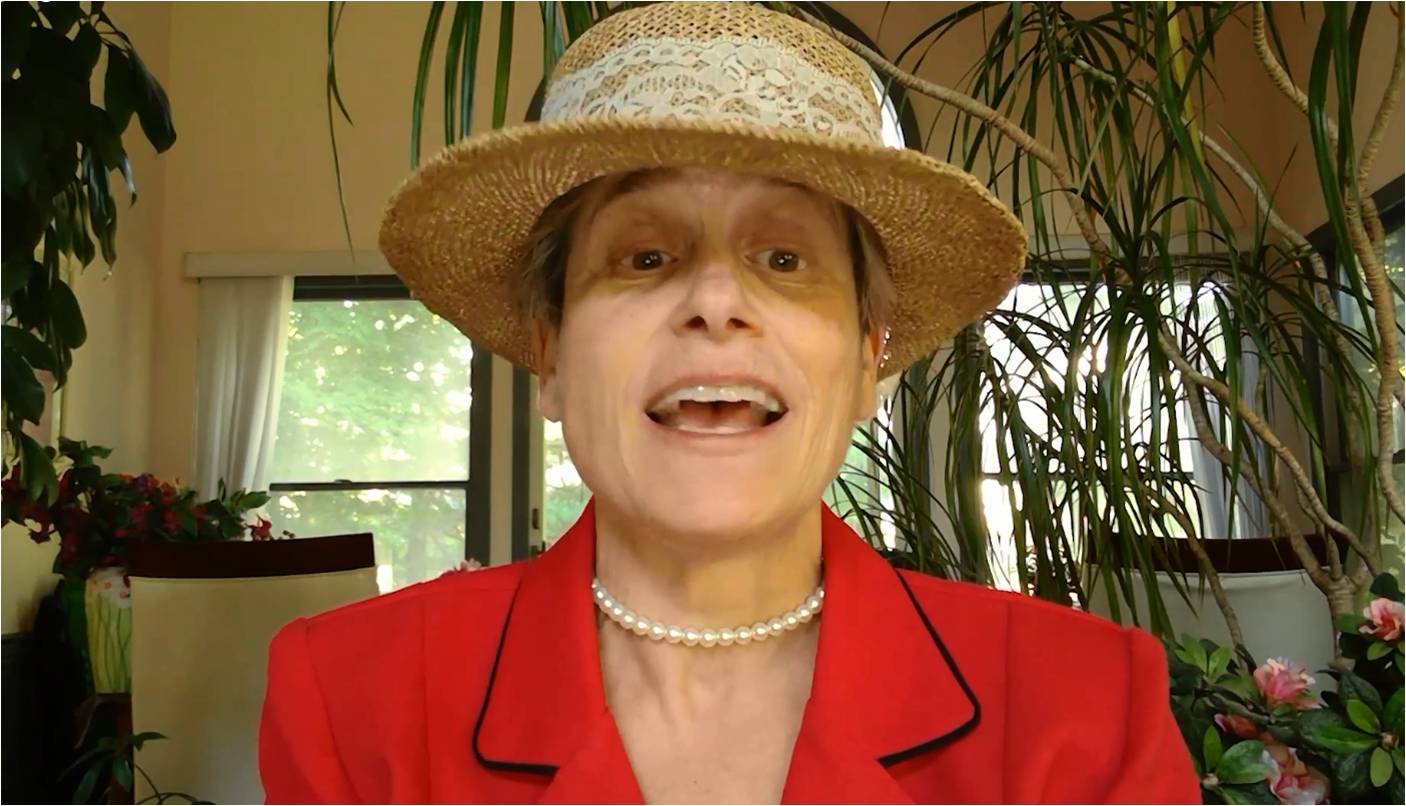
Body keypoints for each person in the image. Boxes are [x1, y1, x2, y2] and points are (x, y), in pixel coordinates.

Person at [259, 3, 1201, 803]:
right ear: (549, 353)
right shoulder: (348, 700)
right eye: (644, 257)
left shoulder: (1088, 707)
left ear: (867, 358)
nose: (715, 300)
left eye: (784, 258)